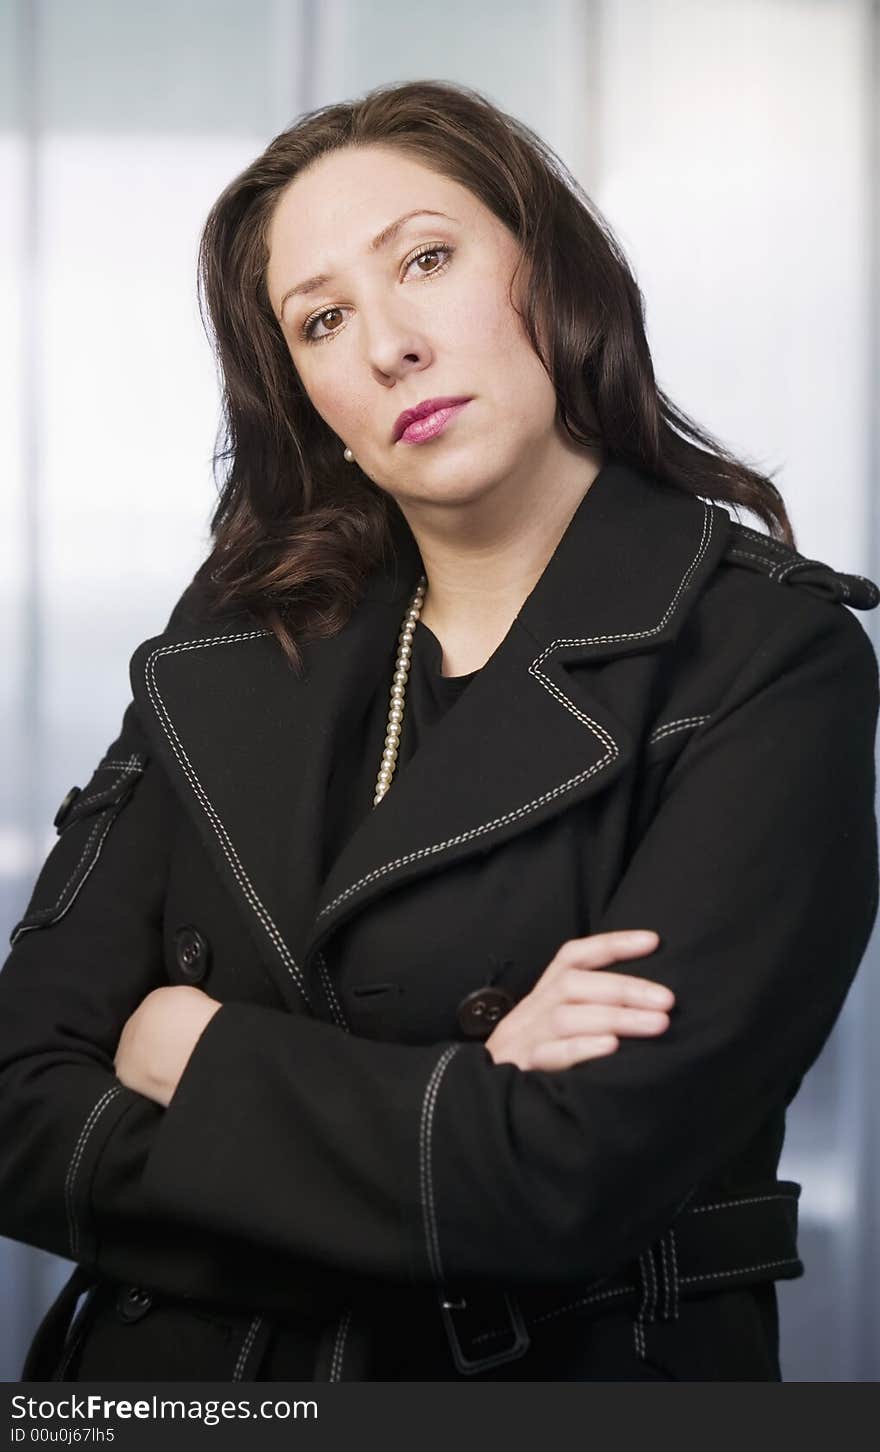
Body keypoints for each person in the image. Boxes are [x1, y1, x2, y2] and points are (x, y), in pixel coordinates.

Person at [1, 78, 878, 1384]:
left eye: (428, 258)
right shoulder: (226, 647)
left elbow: (560, 1184)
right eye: (321, 320)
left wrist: (192, 1052)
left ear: (549, 273)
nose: (390, 345)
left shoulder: (766, 656)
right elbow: (19, 1106)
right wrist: (454, 1106)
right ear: (309, 404)